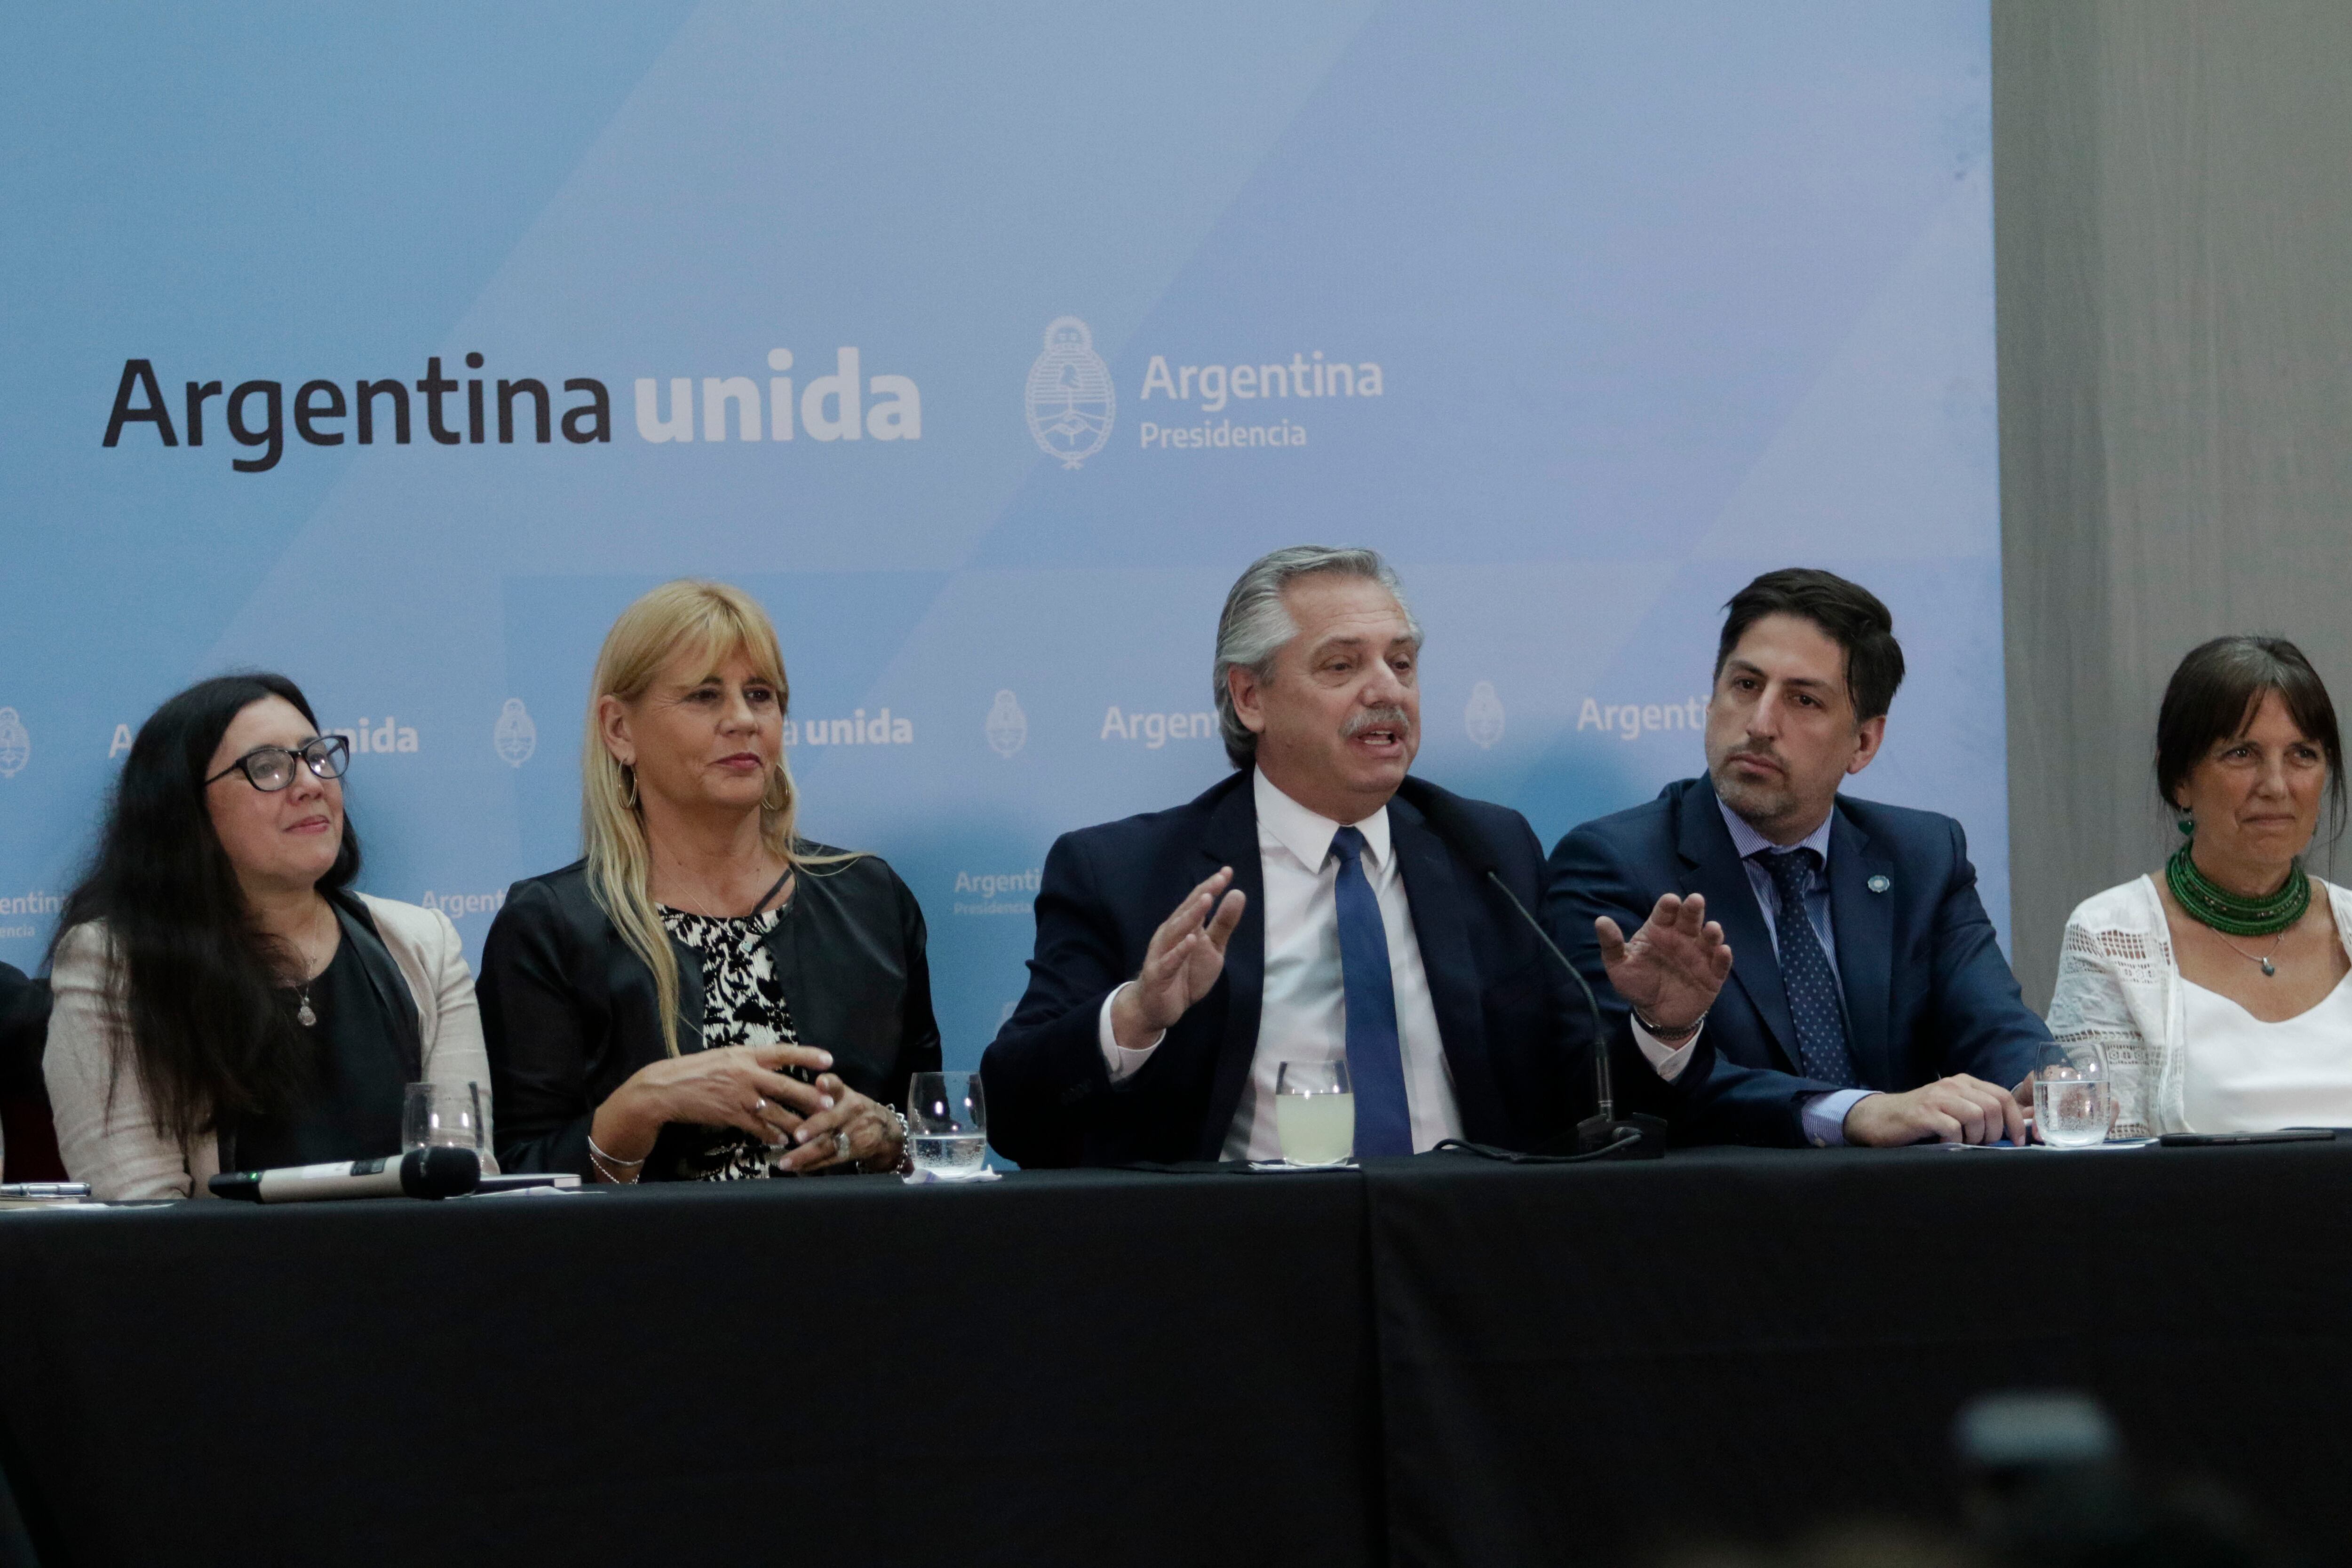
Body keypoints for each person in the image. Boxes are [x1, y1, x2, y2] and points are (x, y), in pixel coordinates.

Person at [981, 544, 1729, 1167]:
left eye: (1402, 664)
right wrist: (1138, 1015)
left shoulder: (1488, 851)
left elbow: (1579, 1102)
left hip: (1462, 1252)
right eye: (1342, 666)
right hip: (1232, 1265)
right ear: (1250, 698)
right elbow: (1015, 1113)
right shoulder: (1125, 872)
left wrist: (1660, 1030)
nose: (1386, 690)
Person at [1547, 568, 2049, 1147]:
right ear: (1711, 700)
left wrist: (2043, 1086)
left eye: (1803, 699)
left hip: (1905, 1218)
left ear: (1863, 742)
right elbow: (1601, 1087)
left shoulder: (1922, 856)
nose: (1760, 725)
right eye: (1744, 686)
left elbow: (1993, 1025)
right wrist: (1853, 1112)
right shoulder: (1615, 864)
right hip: (1716, 1217)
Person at [479, 580, 938, 1182]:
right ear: (619, 730)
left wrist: (886, 1135)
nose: (743, 721)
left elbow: (939, 1141)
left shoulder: (870, 898)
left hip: (852, 1261)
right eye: (703, 696)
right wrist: (643, 1103)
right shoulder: (550, 924)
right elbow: (514, 1178)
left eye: (761, 695)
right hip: (645, 1268)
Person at [43, 675, 492, 1199]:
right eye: (268, 768)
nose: (310, 785)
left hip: (414, 1272)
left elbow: (464, 1177)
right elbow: (140, 1212)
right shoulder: (115, 963)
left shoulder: (424, 943)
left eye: (316, 758)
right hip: (214, 1276)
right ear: (186, 810)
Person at [2048, 637, 2352, 1137]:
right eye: (2240, 753)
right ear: (2179, 780)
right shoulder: (2109, 936)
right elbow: (2100, 1170)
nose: (2275, 785)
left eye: (2301, 754)